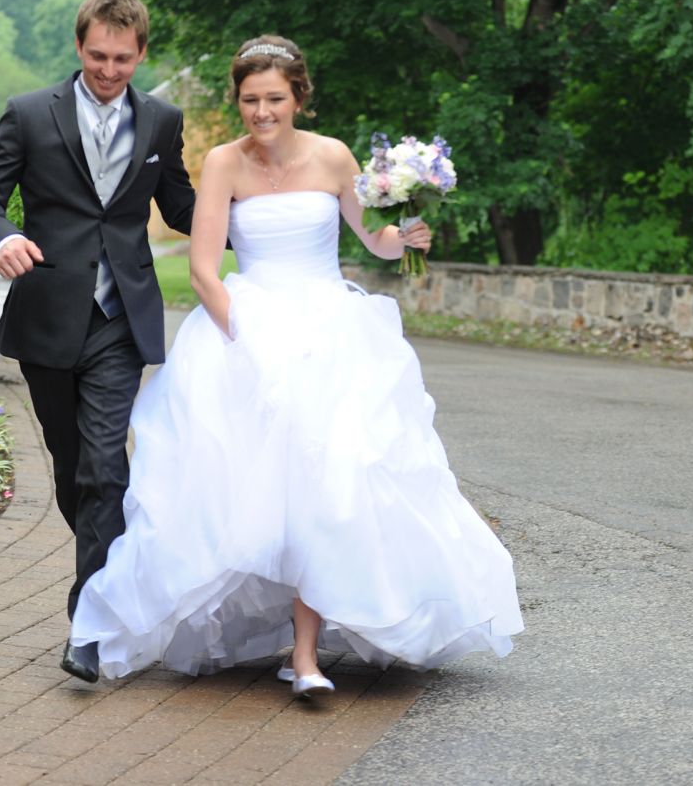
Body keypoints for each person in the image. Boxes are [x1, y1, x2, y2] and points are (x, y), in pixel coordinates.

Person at [69, 35, 522, 696]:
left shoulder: (333, 156)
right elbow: (201, 269)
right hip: (243, 329)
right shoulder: (223, 164)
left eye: (274, 99)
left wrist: (407, 236)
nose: (261, 112)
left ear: (298, 97)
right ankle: (183, 625)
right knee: (239, 491)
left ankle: (305, 656)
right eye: (250, 100)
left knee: (327, 482)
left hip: (329, 332)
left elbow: (375, 239)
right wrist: (247, 340)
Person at [0, 0, 198, 682]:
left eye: (123, 59)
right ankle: (120, 571)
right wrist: (1, 235)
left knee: (105, 466)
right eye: (98, 55)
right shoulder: (30, 114)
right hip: (48, 314)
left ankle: (89, 626)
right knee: (73, 471)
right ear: (79, 46)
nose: (109, 69)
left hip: (121, 317)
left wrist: (259, 202)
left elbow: (181, 205)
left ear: (142, 53)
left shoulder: (162, 121)